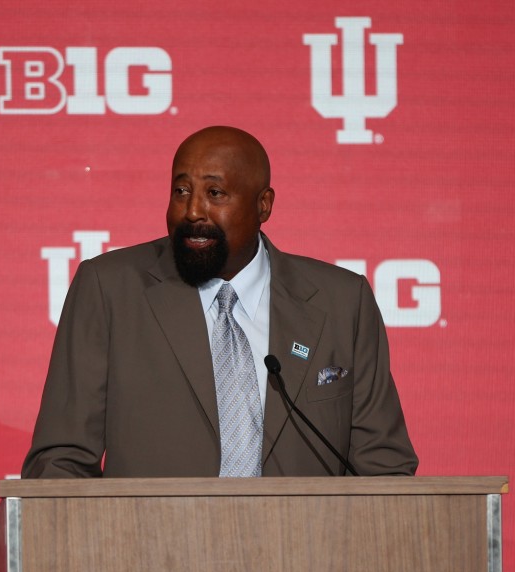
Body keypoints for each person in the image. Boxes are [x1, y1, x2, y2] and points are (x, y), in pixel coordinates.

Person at [22, 126, 416, 478]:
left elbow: (382, 468)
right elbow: (61, 461)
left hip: (306, 553)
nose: (193, 211)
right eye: (181, 191)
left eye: (215, 193)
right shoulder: (110, 288)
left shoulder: (343, 302)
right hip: (147, 552)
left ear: (264, 205)